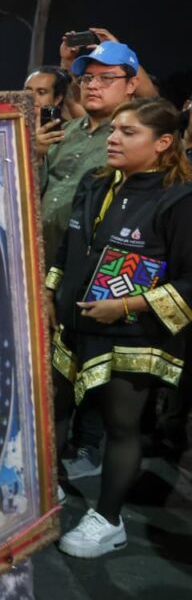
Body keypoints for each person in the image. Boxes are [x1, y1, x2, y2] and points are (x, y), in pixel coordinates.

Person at [47, 98, 192, 558]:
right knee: (53, 411)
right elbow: (68, 248)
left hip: (133, 335)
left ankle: (108, 520)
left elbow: (190, 281)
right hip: (72, 325)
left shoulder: (180, 199)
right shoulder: (95, 182)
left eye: (129, 132)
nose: (113, 138)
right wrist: (50, 293)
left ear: (163, 143)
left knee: (121, 426)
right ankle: (44, 491)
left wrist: (126, 305)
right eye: (113, 130)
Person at [38, 42, 142, 479]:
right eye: (87, 78)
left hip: (98, 269)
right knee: (55, 363)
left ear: (132, 85)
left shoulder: (135, 137)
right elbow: (44, 186)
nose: (93, 85)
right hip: (49, 258)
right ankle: (54, 451)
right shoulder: (69, 131)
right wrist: (35, 154)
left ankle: (88, 447)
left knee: (96, 361)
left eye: (106, 78)